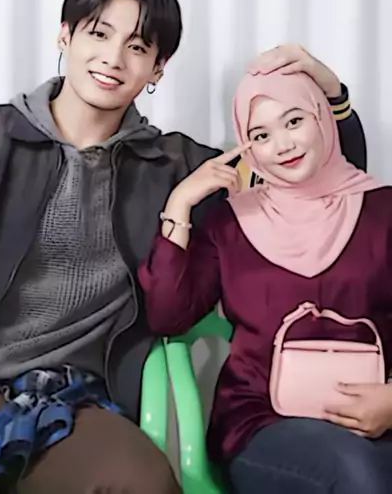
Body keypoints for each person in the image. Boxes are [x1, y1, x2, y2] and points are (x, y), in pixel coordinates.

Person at [0, 0, 366, 493]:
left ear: (158, 67)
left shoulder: (176, 166)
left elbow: (322, 176)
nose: (113, 58)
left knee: (143, 484)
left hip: (72, 407)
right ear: (65, 36)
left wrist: (330, 90)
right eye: (99, 34)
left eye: (137, 47)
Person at [139, 64, 392, 493]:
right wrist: (179, 205)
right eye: (261, 135)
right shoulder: (230, 223)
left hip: (380, 420)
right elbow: (168, 316)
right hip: (261, 422)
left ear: (322, 118)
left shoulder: (382, 210)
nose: (282, 145)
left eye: (293, 122)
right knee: (358, 475)